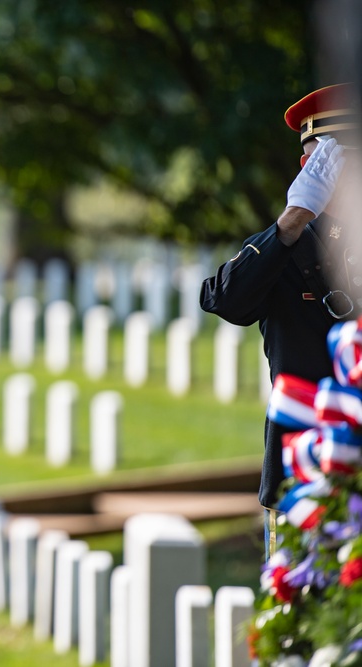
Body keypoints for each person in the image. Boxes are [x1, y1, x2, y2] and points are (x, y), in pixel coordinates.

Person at [201, 82, 361, 557]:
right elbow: (225, 300)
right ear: (306, 170)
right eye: (328, 164)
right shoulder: (280, 250)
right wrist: (292, 220)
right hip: (302, 470)